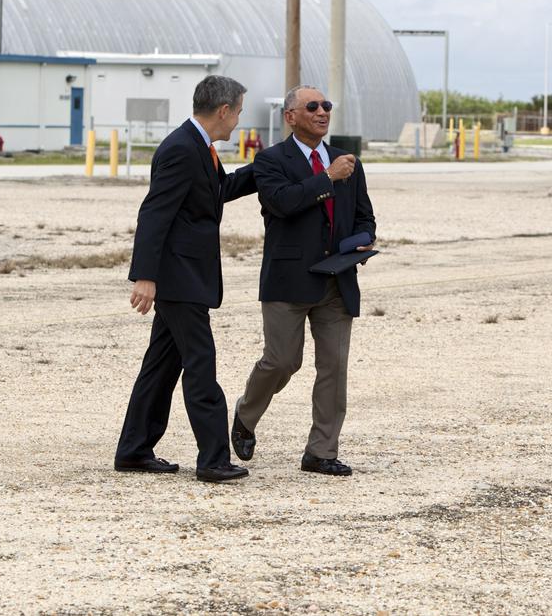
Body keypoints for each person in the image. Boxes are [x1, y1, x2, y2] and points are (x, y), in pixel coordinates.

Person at [115, 75, 257, 483]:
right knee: (200, 364)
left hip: (185, 276)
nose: (238, 122)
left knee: (160, 367)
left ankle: (134, 449)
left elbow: (219, 189)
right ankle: (213, 459)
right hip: (179, 278)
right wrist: (145, 275)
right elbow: (155, 213)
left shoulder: (201, 147)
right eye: (239, 113)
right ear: (224, 110)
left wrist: (263, 167)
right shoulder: (182, 148)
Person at [231, 85, 376, 477]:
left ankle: (321, 451)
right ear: (290, 116)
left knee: (334, 366)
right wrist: (328, 177)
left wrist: (364, 240)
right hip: (288, 278)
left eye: (326, 105)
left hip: (337, 279)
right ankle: (245, 414)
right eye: (312, 106)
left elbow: (365, 215)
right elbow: (283, 203)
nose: (322, 112)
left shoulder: (349, 163)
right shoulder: (271, 161)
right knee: (282, 361)